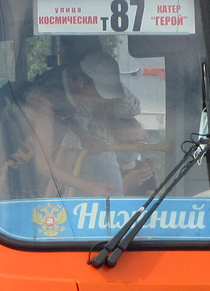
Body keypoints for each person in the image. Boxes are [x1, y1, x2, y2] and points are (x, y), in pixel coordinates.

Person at [27, 51, 140, 196]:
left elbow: (67, 117)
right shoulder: (45, 100)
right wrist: (90, 187)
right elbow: (44, 165)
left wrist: (84, 137)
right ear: (82, 84)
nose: (103, 101)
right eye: (102, 93)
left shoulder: (70, 95)